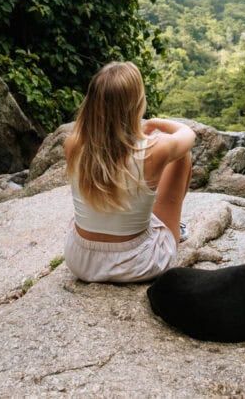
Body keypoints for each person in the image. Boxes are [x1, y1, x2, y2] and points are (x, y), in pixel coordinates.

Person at [62, 61, 196, 283]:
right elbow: (188, 135)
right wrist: (154, 123)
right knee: (182, 155)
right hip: (138, 263)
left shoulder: (73, 144)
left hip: (80, 261)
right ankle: (174, 230)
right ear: (136, 104)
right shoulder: (156, 149)